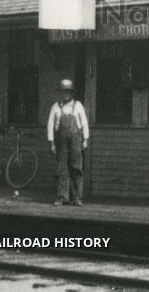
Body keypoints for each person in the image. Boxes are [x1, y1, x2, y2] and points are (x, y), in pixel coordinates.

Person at [46, 78, 89, 206]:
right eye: (63, 92)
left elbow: (85, 123)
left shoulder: (78, 106)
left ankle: (77, 197)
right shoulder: (55, 107)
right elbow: (50, 125)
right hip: (61, 143)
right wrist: (51, 143)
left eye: (68, 92)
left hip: (76, 142)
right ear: (60, 93)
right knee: (62, 168)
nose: (65, 94)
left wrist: (85, 139)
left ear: (71, 93)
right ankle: (62, 197)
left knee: (76, 168)